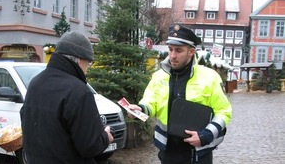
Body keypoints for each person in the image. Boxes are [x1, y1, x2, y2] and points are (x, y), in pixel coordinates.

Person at [128, 24, 232, 164]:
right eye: (170, 50)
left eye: (178, 51)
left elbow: (223, 111)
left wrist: (206, 135)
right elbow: (150, 102)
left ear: (191, 52)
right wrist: (140, 109)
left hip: (198, 152)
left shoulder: (210, 77)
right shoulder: (159, 77)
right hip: (168, 150)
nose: (172, 56)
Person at [20, 31, 114, 164]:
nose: (87, 68)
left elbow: (26, 121)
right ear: (79, 60)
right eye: (88, 63)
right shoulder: (79, 91)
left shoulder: (35, 83)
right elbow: (90, 147)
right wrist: (105, 137)